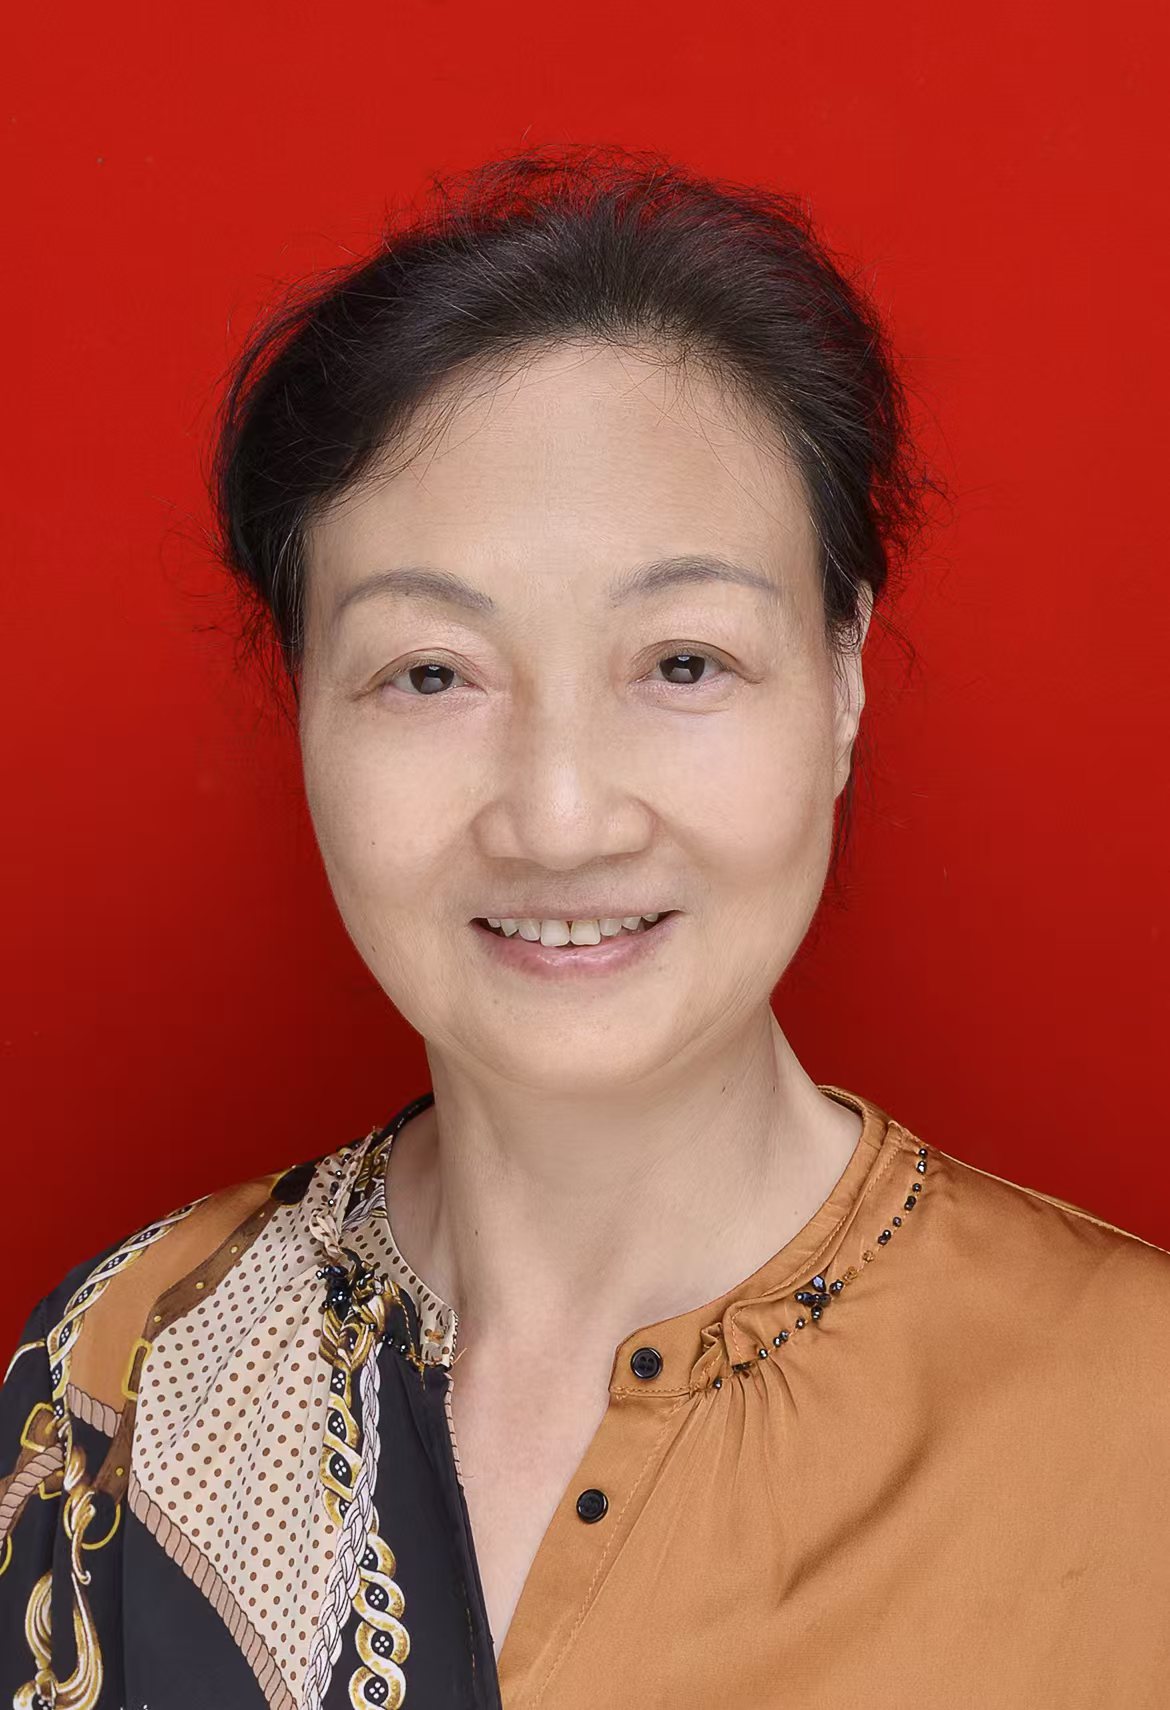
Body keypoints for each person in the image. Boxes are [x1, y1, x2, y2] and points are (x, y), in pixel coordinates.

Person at [2, 144, 1167, 1710]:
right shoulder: (123, 1372)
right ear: (303, 705)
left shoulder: (1136, 1426)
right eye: (430, 672)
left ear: (841, 677)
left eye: (682, 662)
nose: (558, 817)